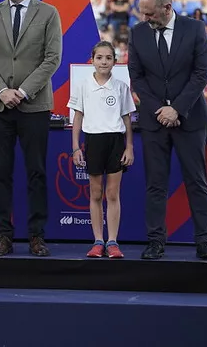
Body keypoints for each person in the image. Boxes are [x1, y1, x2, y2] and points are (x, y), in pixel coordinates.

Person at [0, 0, 63, 257]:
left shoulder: (49, 13)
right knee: (1, 172)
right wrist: (2, 91)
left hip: (34, 106)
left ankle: (37, 236)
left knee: (36, 171)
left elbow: (52, 59)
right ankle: (4, 235)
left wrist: (23, 92)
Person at [128, 0, 207, 260]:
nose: (145, 19)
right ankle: (155, 241)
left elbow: (202, 73)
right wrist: (160, 110)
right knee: (155, 184)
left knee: (196, 180)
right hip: (155, 121)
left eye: (150, 13)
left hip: (189, 119)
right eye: (142, 13)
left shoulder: (194, 29)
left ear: (167, 8)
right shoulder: (138, 33)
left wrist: (176, 109)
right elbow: (137, 76)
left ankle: (204, 241)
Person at [69, 41, 135, 259]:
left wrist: (129, 147)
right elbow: (78, 117)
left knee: (112, 193)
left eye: (108, 58)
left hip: (115, 142)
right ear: (92, 60)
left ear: (115, 62)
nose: (104, 62)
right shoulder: (84, 85)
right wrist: (76, 147)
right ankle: (98, 241)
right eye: (99, 57)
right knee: (96, 193)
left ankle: (113, 242)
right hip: (94, 142)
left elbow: (127, 119)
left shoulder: (121, 87)